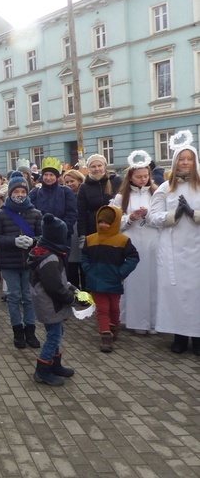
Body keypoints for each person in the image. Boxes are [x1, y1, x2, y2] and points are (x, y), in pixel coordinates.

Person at [148, 130, 200, 354]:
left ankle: (198, 338)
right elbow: (152, 217)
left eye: (189, 159)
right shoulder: (164, 188)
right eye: (182, 158)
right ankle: (179, 335)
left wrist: (193, 213)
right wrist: (174, 215)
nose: (185, 162)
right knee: (177, 292)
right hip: (173, 249)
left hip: (196, 249)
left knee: (196, 293)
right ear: (175, 161)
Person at [0, 173, 43, 349]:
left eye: (23, 191)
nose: (19, 194)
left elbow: (43, 237)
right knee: (13, 297)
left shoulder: (35, 213)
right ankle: (17, 330)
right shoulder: (0, 215)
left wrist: (33, 241)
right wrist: (13, 241)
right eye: (16, 191)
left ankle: (30, 330)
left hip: (29, 262)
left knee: (28, 297)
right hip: (9, 263)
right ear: (10, 193)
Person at [110, 151, 159, 335]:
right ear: (130, 177)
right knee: (134, 281)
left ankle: (154, 321)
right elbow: (115, 222)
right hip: (131, 243)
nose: (142, 179)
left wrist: (148, 215)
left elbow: (162, 219)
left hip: (152, 242)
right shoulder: (122, 197)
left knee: (153, 281)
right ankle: (136, 320)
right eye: (138, 177)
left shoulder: (156, 194)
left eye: (145, 176)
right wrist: (129, 218)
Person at [81, 205, 139, 353]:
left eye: (106, 222)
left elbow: (133, 257)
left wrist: (121, 272)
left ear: (115, 222)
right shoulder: (90, 239)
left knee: (114, 307)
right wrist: (88, 270)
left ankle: (114, 326)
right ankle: (105, 334)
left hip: (113, 281)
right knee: (102, 309)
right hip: (96, 281)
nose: (102, 224)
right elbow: (84, 257)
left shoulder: (122, 240)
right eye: (100, 221)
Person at [28, 214, 77, 386]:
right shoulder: (50, 258)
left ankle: (55, 364)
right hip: (49, 303)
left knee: (57, 332)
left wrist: (72, 288)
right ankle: (42, 370)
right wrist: (70, 298)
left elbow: (59, 280)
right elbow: (54, 286)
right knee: (54, 336)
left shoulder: (48, 252)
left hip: (50, 303)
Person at [77, 154, 122, 246]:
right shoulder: (84, 187)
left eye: (99, 165)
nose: (97, 169)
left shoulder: (116, 181)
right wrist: (82, 235)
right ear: (89, 168)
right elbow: (81, 213)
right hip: (94, 228)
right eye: (93, 166)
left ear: (104, 166)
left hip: (115, 225)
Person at [28, 157, 77, 240]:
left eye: (51, 175)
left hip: (62, 235)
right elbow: (31, 213)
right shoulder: (35, 192)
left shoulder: (66, 191)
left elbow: (71, 213)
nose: (48, 178)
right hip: (41, 235)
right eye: (46, 175)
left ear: (56, 177)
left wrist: (62, 228)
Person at [62, 169, 86, 289]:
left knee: (83, 265)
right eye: (67, 182)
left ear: (80, 181)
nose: (69, 184)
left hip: (81, 230)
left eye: (72, 181)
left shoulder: (84, 194)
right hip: (70, 232)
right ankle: (75, 292)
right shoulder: (63, 195)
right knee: (71, 266)